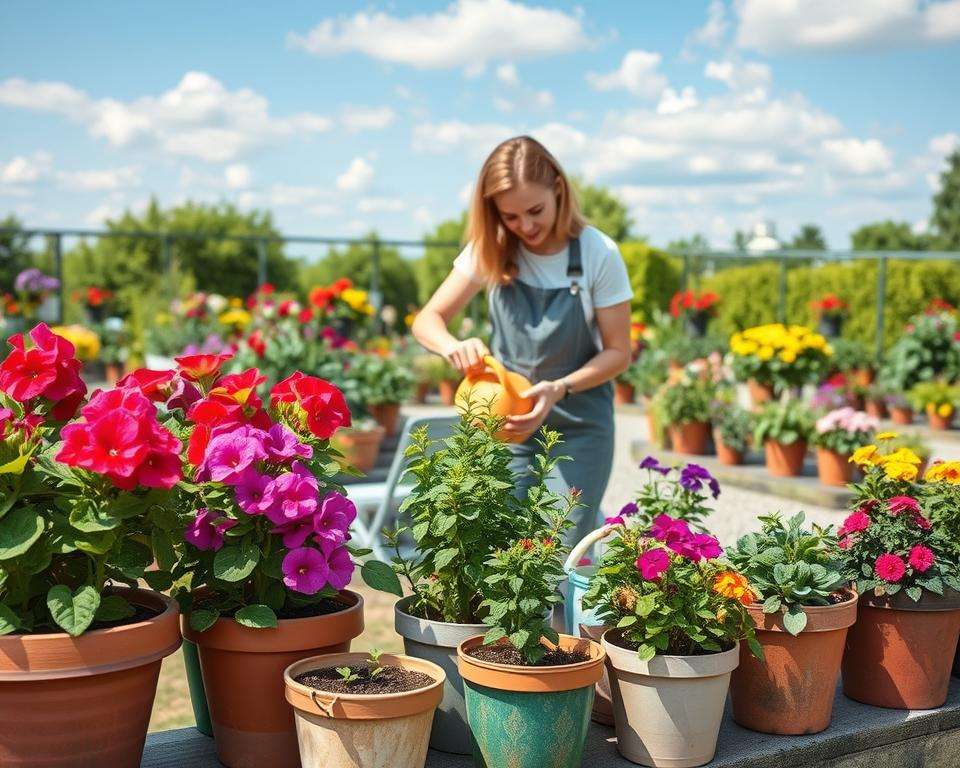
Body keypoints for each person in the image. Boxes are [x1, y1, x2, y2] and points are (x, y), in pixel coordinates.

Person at [412, 136, 633, 545]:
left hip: (580, 425)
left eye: (535, 211)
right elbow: (428, 319)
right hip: (506, 426)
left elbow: (620, 353)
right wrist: (451, 346)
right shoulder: (491, 249)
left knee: (558, 544)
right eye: (511, 216)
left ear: (558, 191)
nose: (526, 227)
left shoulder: (598, 253)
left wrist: (560, 388)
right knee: (505, 550)